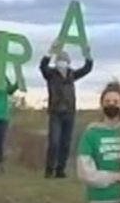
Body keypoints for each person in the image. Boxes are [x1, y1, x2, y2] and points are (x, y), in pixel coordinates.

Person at [39, 42, 94, 178]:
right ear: (56, 62)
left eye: (64, 61)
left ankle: (60, 170)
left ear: (68, 63)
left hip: (69, 112)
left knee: (66, 143)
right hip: (56, 112)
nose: (62, 63)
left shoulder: (72, 75)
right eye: (60, 61)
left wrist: (87, 54)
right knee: (54, 142)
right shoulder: (50, 74)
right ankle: (49, 170)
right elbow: (42, 66)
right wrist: (50, 52)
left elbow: (87, 68)